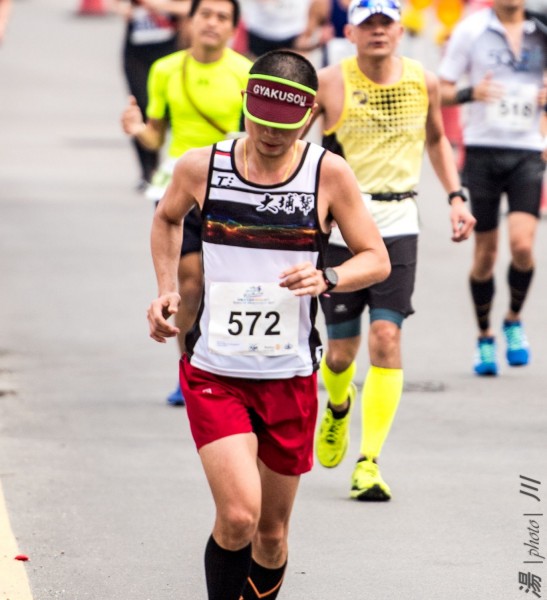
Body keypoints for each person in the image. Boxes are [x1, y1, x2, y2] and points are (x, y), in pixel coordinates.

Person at [147, 49, 390, 600]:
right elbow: (166, 218)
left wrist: (328, 277)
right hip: (216, 371)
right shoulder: (201, 166)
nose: (271, 135)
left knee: (272, 535)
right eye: (261, 121)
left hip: (289, 376)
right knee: (238, 516)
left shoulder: (327, 174)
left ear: (308, 116)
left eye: (285, 125)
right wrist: (165, 287)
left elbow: (375, 258)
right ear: (245, 104)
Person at [309, 0, 476, 501]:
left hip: (399, 221)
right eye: (368, 24)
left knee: (386, 336)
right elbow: (295, 145)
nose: (378, 31)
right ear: (350, 33)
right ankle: (338, 406)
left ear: (401, 30)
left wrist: (455, 196)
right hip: (342, 227)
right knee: (341, 353)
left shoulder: (423, 81)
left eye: (386, 23)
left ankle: (369, 462)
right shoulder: (329, 82)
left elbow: (437, 139)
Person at [121, 0, 252, 405]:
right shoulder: (166, 69)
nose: (212, 23)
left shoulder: (244, 72)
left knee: (229, 285)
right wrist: (137, 129)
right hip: (179, 185)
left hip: (229, 185)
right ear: (190, 21)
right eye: (205, 14)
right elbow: (156, 137)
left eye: (222, 17)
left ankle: (233, 369)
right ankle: (190, 372)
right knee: (190, 282)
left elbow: (255, 139)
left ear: (233, 28)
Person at [439, 0, 547, 376]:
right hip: (482, 151)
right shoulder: (471, 29)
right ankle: (484, 336)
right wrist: (472, 93)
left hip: (527, 152)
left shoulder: (541, 29)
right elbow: (441, 89)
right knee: (485, 256)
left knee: (523, 246)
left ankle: (513, 320)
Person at [114, 0, 191, 190]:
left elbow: (191, 7)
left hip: (169, 49)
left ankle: (181, 165)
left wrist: (159, 6)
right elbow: (115, 4)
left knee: (171, 109)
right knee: (141, 105)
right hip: (137, 52)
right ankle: (148, 171)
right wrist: (123, 10)